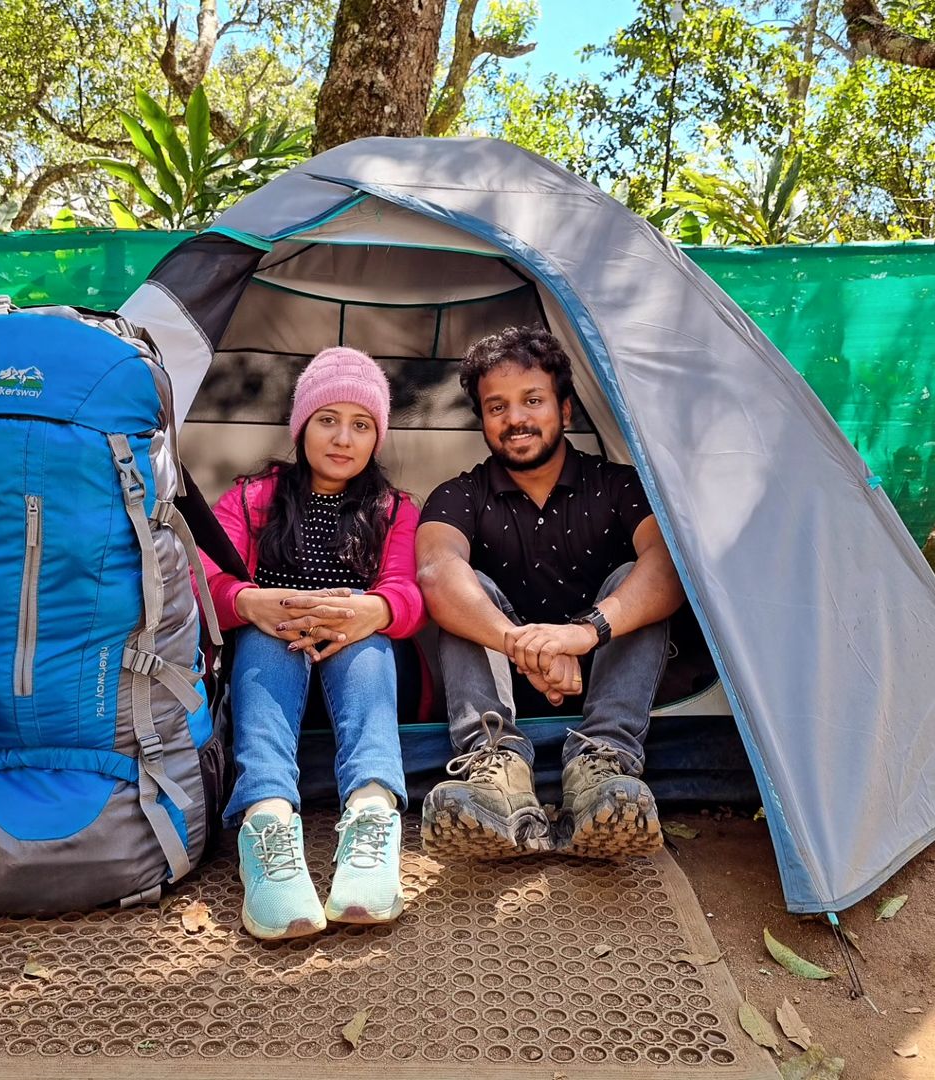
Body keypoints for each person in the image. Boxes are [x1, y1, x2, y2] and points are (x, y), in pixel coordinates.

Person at [416, 326, 684, 862]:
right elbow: (435, 573)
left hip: (604, 683)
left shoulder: (620, 486)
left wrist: (583, 635)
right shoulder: (457, 494)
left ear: (564, 411)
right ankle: (495, 773)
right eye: (497, 406)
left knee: (636, 578)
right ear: (484, 421)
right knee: (471, 591)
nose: (515, 418)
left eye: (532, 400)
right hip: (501, 693)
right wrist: (527, 646)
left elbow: (669, 571)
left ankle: (603, 766)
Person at [198, 347, 424, 940]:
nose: (342, 438)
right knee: (263, 643)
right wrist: (249, 601)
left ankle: (373, 816)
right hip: (273, 661)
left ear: (378, 436)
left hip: (357, 664)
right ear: (301, 426)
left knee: (368, 640)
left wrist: (371, 609)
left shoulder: (393, 509)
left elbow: (408, 593)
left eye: (361, 424)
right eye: (328, 420)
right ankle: (267, 821)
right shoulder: (253, 499)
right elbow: (203, 579)